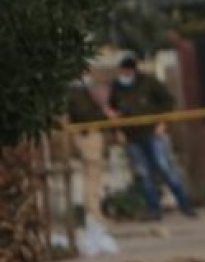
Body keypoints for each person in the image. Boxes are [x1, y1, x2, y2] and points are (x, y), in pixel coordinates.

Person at [108, 56, 197, 220]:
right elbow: (114, 109)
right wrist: (118, 130)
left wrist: (163, 123)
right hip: (132, 136)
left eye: (127, 71)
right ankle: (153, 209)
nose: (124, 74)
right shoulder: (117, 87)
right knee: (144, 174)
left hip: (153, 133)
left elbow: (168, 101)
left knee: (165, 168)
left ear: (133, 70)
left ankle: (185, 204)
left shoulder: (148, 82)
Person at [66, 70, 110, 222]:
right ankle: (93, 212)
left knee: (94, 173)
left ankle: (93, 210)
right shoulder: (75, 92)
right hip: (88, 134)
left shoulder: (82, 90)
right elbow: (83, 114)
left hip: (92, 133)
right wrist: (104, 115)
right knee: (92, 173)